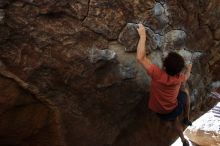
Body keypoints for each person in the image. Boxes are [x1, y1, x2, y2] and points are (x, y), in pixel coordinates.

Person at [136, 24, 192, 146]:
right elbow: (186, 76)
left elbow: (140, 57)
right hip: (172, 108)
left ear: (164, 67)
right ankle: (186, 120)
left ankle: (170, 123)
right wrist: (189, 68)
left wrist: (143, 35)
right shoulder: (180, 78)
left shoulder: (157, 74)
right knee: (185, 92)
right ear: (178, 71)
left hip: (157, 109)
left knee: (171, 119)